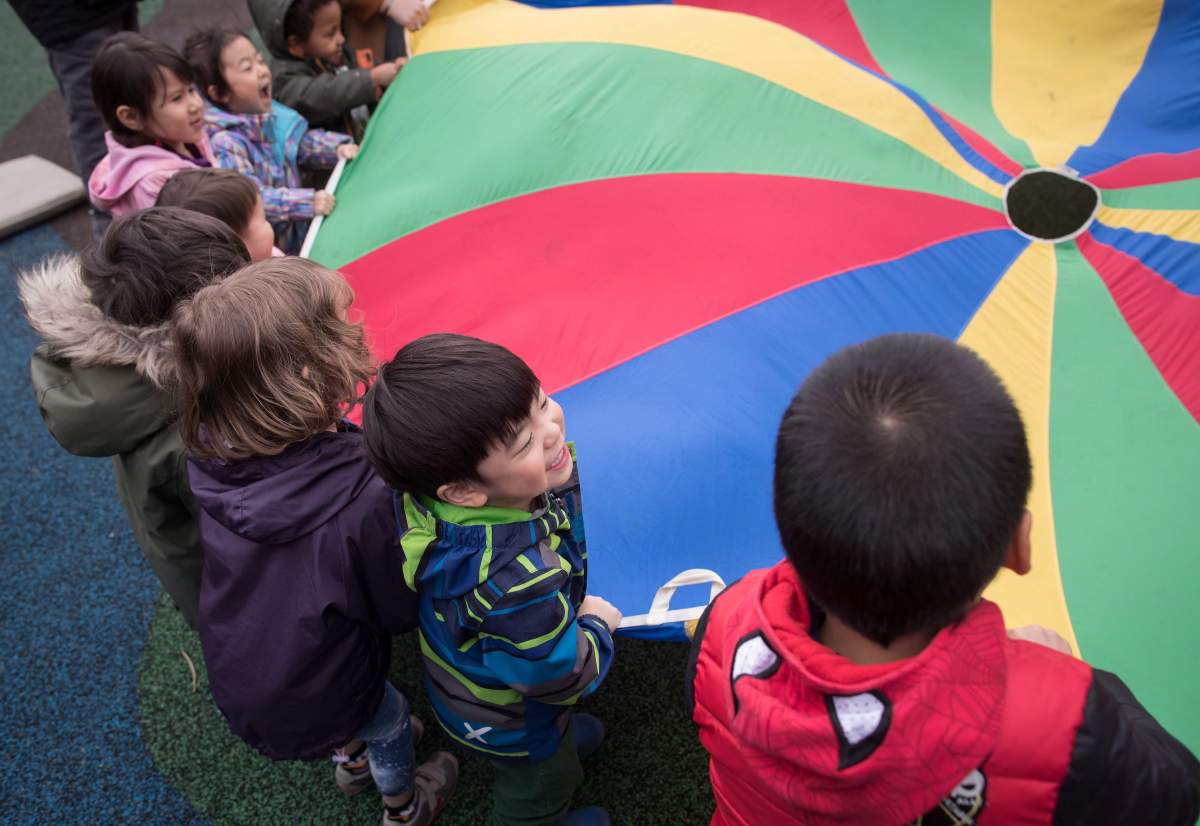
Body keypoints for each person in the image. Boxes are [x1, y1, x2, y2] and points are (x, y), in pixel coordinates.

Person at [687, 333, 1200, 826]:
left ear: (788, 524)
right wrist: (1079, 680)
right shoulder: (1063, 721)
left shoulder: (727, 617)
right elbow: (1175, 793)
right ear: (1018, 548)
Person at [172, 258, 458, 825]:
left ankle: (350, 760)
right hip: (323, 681)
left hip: (252, 667)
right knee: (392, 718)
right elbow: (397, 607)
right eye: (340, 325)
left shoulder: (213, 452)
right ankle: (402, 807)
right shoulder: (361, 496)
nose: (355, 330)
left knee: (355, 724)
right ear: (307, 373)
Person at [362, 333, 621, 826]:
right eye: (524, 441)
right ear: (463, 490)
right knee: (542, 786)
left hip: (464, 685)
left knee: (551, 748)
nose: (550, 429)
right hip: (513, 720)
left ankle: (557, 740)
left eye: (541, 401)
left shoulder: (425, 502)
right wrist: (597, 628)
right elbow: (558, 674)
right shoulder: (516, 584)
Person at [19, 207, 250, 629]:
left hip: (190, 560)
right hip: (235, 593)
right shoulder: (191, 430)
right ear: (194, 320)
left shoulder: (122, 379)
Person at [183, 28, 355, 255]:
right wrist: (306, 202)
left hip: (305, 234)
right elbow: (251, 200)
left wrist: (336, 148)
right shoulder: (225, 142)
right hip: (280, 255)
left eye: (260, 61)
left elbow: (297, 145)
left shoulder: (268, 112)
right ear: (220, 94)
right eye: (248, 67)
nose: (262, 71)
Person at [10, 0, 138, 236]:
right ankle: (111, 232)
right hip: (68, 16)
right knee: (97, 122)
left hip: (106, 8)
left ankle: (140, 202)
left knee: (135, 92)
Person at [87, 33, 216, 220]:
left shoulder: (182, 137)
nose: (195, 104)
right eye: (177, 98)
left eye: (191, 90)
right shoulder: (154, 186)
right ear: (131, 117)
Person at [247, 0, 408, 140]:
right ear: (296, 44)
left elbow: (358, 68)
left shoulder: (329, 52)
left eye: (340, 28)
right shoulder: (285, 81)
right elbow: (325, 94)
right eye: (330, 34)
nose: (341, 39)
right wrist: (372, 79)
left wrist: (390, 70)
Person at [156, 167, 279, 261]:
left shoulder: (269, 255)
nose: (268, 225)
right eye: (264, 219)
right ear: (238, 247)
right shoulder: (266, 291)